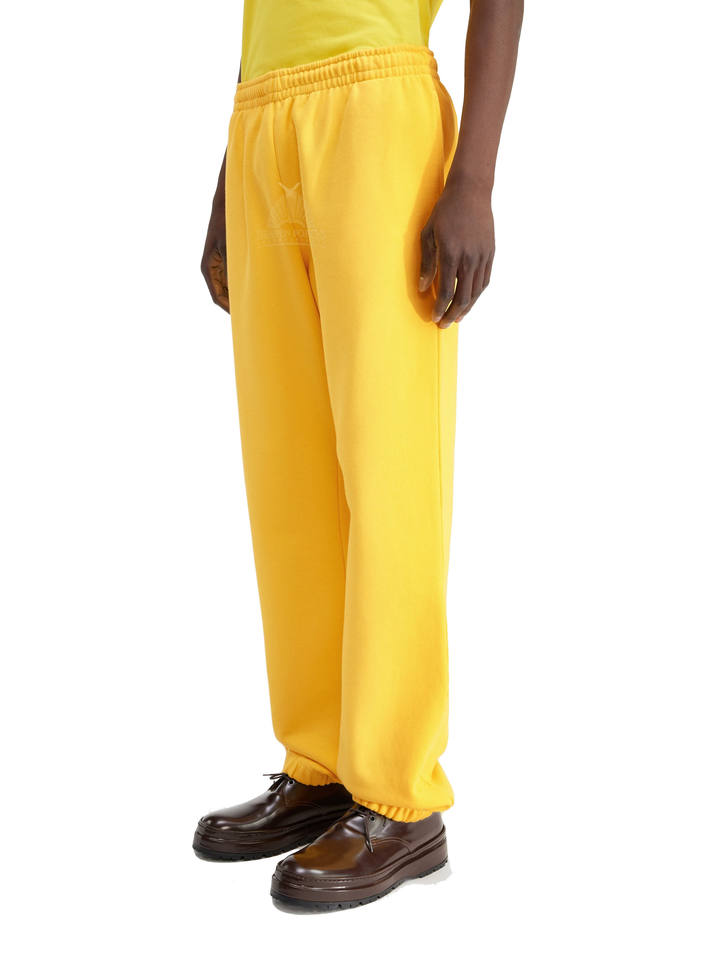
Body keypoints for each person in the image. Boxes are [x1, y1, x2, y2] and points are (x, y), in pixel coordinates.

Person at [197, 0, 523, 910]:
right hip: (263, 122)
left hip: (377, 108)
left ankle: (400, 797)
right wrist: (230, 173)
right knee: (289, 474)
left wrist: (474, 179)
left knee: (390, 471)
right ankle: (322, 764)